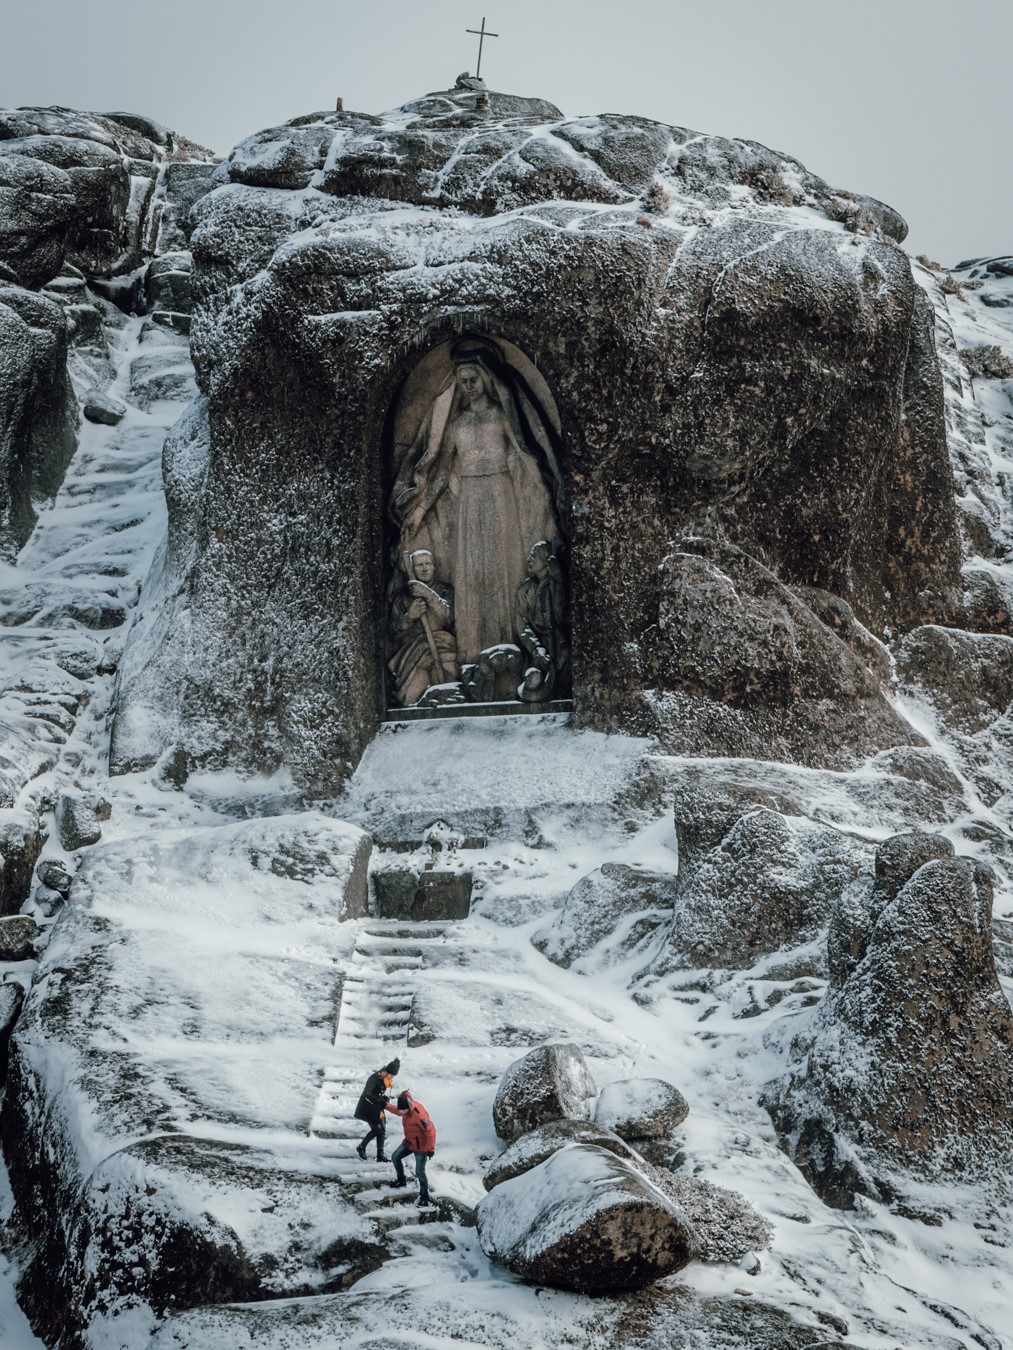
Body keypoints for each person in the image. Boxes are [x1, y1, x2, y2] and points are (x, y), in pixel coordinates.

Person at [392, 337, 565, 666]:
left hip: (501, 495)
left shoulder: (502, 415)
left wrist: (547, 494)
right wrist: (419, 512)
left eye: (473, 378)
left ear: (487, 377)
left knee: (506, 571)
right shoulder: (456, 423)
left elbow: (527, 455)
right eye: (462, 380)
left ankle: (512, 651)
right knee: (471, 576)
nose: (468, 385)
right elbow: (441, 472)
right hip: (469, 500)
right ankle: (473, 655)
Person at [388, 549, 457, 705]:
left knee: (451, 692)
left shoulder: (446, 591)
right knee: (412, 697)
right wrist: (409, 617)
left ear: (434, 566)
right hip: (415, 652)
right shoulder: (402, 597)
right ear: (412, 569)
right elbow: (392, 633)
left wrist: (428, 595)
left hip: (444, 648)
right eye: (419, 565)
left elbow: (450, 618)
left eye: (428, 564)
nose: (425, 568)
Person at [515, 539, 568, 701]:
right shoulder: (524, 590)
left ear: (546, 561)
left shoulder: (556, 583)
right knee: (534, 679)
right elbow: (522, 623)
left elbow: (561, 614)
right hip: (538, 646)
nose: (529, 560)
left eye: (534, 557)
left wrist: (558, 580)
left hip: (560, 644)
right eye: (530, 557)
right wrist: (535, 648)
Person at [383, 1089, 437, 1209]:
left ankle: (424, 1197)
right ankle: (401, 1181)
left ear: (409, 1106)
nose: (402, 1112)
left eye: (404, 1110)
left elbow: (431, 1131)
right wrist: (386, 1105)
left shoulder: (419, 1114)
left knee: (420, 1172)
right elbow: (398, 1110)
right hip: (409, 1142)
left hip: (421, 1147)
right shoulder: (405, 1107)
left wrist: (431, 1149)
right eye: (401, 1110)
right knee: (395, 1157)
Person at [354, 1057, 400, 1162]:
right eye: (392, 1075)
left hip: (376, 1107)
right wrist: (381, 1101)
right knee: (377, 1129)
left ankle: (380, 1155)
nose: (392, 1077)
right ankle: (361, 1147)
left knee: (382, 1130)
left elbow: (378, 1093)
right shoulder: (374, 1078)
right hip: (367, 1108)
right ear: (387, 1071)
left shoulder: (385, 1079)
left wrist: (384, 1098)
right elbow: (367, 1094)